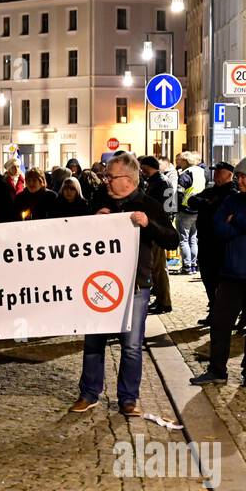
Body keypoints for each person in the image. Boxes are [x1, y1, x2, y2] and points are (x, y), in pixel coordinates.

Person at [72, 153, 179, 417]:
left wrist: (148, 224)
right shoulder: (99, 200)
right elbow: (75, 235)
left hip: (136, 286)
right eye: (106, 176)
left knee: (131, 345)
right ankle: (89, 393)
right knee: (94, 340)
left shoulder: (148, 204)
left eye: (111, 176)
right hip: (99, 282)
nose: (106, 181)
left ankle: (128, 398)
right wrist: (94, 221)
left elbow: (172, 239)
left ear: (129, 179)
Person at [189, 157, 246, 388]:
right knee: (220, 323)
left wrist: (236, 221)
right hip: (231, 271)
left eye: (243, 176)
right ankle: (217, 369)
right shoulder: (232, 200)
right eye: (237, 175)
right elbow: (219, 228)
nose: (238, 180)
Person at [188, 161, 237, 321]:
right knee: (208, 278)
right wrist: (206, 203)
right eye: (215, 172)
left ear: (229, 174)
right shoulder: (210, 191)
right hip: (205, 240)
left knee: (221, 279)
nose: (216, 175)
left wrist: (206, 204)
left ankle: (224, 312)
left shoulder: (232, 193)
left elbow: (220, 209)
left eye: (219, 172)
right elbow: (192, 200)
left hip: (221, 243)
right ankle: (214, 309)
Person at [139, 156, 173, 315]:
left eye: (142, 168)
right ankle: (161, 300)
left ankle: (164, 302)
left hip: (157, 229)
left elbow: (167, 209)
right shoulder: (158, 181)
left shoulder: (160, 182)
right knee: (157, 267)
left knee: (159, 268)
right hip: (157, 228)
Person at [175, 151, 205, 274]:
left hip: (186, 209)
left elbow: (179, 192)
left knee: (183, 239)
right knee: (193, 239)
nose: (178, 163)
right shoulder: (201, 171)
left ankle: (186, 266)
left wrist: (176, 208)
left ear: (186, 161)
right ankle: (193, 265)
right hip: (198, 208)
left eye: (180, 161)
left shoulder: (185, 174)